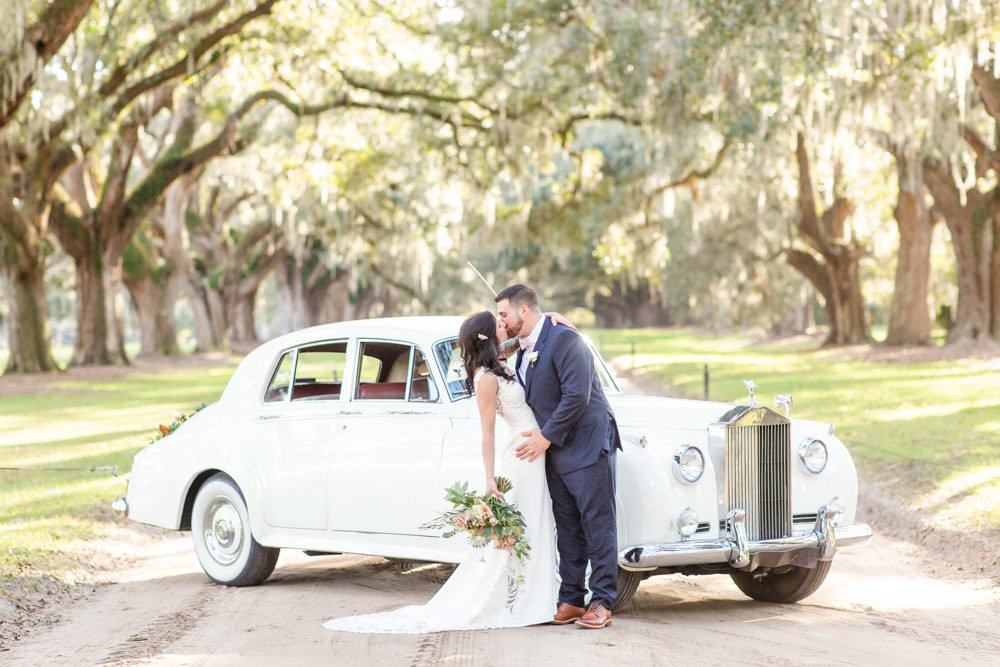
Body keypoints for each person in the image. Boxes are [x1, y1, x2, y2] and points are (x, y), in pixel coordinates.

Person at [323, 311, 563, 633]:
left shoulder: (498, 360)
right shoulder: (486, 378)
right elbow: (488, 432)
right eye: (498, 322)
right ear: (486, 334)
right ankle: (527, 603)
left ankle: (536, 599)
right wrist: (489, 479)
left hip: (533, 446)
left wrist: (550, 317)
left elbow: (522, 339)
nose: (503, 323)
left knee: (536, 522)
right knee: (527, 524)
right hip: (521, 453)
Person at [496, 284, 621, 630]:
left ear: (523, 310)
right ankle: (572, 598)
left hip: (586, 444)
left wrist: (546, 437)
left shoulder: (565, 339)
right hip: (555, 452)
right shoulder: (524, 347)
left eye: (504, 314)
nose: (501, 321)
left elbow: (577, 395)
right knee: (567, 527)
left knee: (597, 525)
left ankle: (602, 602)